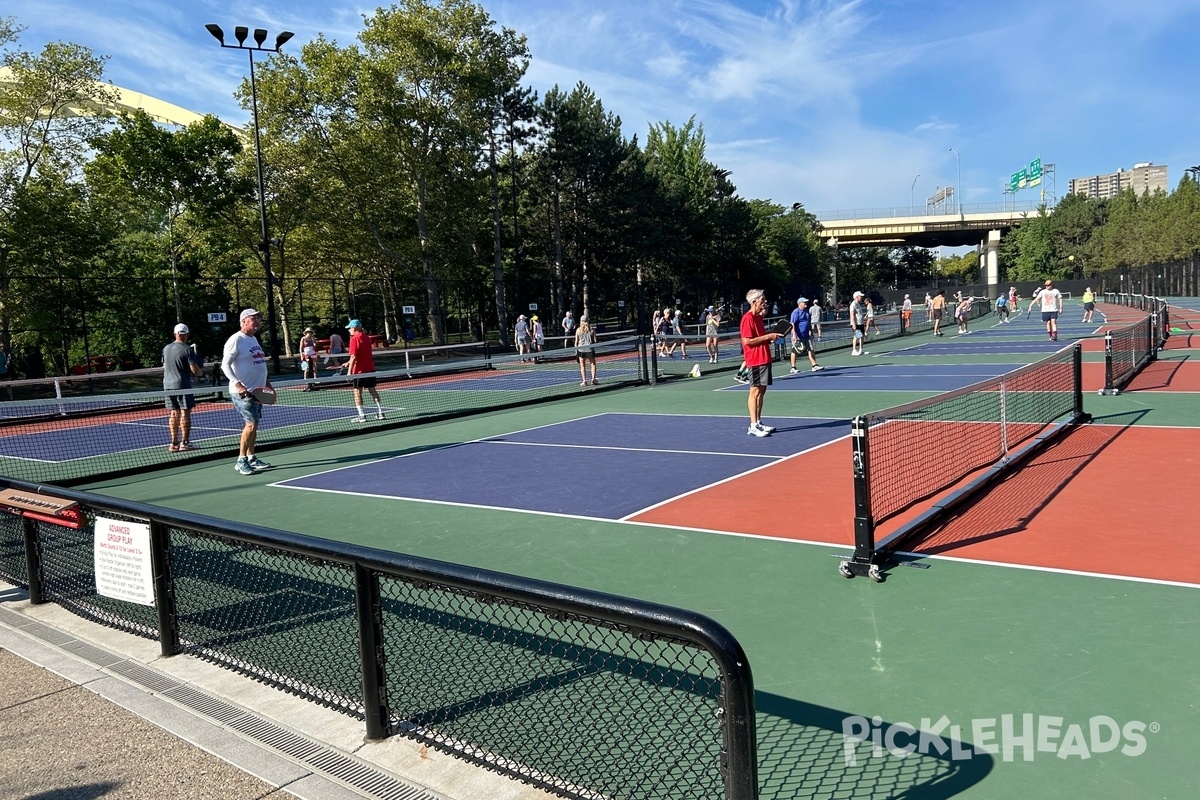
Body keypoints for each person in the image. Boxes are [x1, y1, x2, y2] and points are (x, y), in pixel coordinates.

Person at [221, 309, 272, 475]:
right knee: (250, 424)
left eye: (259, 318)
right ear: (244, 321)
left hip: (257, 391)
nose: (258, 321)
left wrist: (267, 383)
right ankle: (240, 460)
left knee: (254, 424)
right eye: (254, 318)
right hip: (243, 392)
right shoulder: (236, 340)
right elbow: (225, 365)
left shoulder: (253, 339)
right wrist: (238, 384)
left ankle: (251, 457)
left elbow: (258, 364)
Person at [740, 289, 785, 437]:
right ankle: (753, 425)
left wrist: (771, 338)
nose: (764, 301)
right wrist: (768, 336)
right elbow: (747, 342)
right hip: (755, 360)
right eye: (762, 299)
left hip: (765, 358)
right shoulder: (747, 319)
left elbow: (760, 337)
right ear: (754, 301)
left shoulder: (758, 318)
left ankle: (758, 422)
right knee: (755, 391)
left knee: (762, 391)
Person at [162, 323, 204, 452]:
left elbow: (165, 366)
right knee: (185, 413)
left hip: (168, 386)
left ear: (175, 334)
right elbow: (195, 370)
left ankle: (174, 444)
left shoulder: (166, 348)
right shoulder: (188, 350)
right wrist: (200, 373)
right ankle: (185, 443)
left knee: (174, 413)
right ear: (186, 335)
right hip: (182, 386)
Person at [337, 319, 385, 422]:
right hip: (370, 369)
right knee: (372, 390)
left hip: (358, 371)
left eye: (350, 328)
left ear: (354, 328)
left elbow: (354, 356)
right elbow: (360, 355)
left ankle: (362, 416)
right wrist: (348, 363)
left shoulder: (354, 339)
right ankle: (381, 413)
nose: (349, 330)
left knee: (357, 392)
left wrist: (349, 373)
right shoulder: (367, 338)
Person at [788, 297, 824, 374]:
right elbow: (792, 324)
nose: (806, 304)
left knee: (811, 349)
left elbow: (808, 323)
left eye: (806, 302)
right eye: (804, 302)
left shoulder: (807, 312)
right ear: (800, 303)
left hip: (807, 335)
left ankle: (814, 365)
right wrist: (794, 335)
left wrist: (811, 331)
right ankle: (793, 367)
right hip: (798, 336)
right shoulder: (795, 312)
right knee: (795, 351)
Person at [575, 313, 597, 386]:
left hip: (581, 350)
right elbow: (595, 341)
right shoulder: (592, 330)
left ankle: (584, 381)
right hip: (590, 349)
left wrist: (576, 351)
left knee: (582, 365)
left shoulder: (578, 330)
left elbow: (576, 342)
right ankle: (593, 379)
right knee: (593, 364)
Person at [849, 291, 869, 355]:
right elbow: (852, 315)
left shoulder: (858, 304)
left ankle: (861, 349)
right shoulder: (853, 305)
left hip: (861, 323)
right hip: (856, 324)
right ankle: (854, 350)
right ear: (857, 297)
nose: (861, 297)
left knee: (862, 336)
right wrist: (854, 324)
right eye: (860, 296)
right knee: (856, 336)